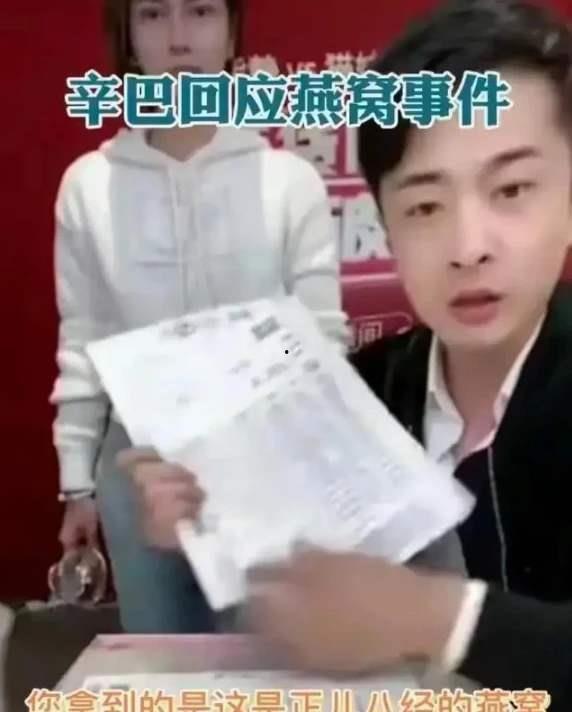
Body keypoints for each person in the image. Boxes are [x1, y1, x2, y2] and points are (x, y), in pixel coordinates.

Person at [50, 0, 348, 634]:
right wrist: (76, 483)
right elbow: (84, 337)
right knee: (164, 661)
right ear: (129, 36)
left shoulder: (288, 181)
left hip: (265, 460)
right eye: (154, 15)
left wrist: (268, 379)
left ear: (232, 31)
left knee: (268, 661)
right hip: (139, 466)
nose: (179, 38)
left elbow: (319, 339)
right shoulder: (88, 187)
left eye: (201, 12)